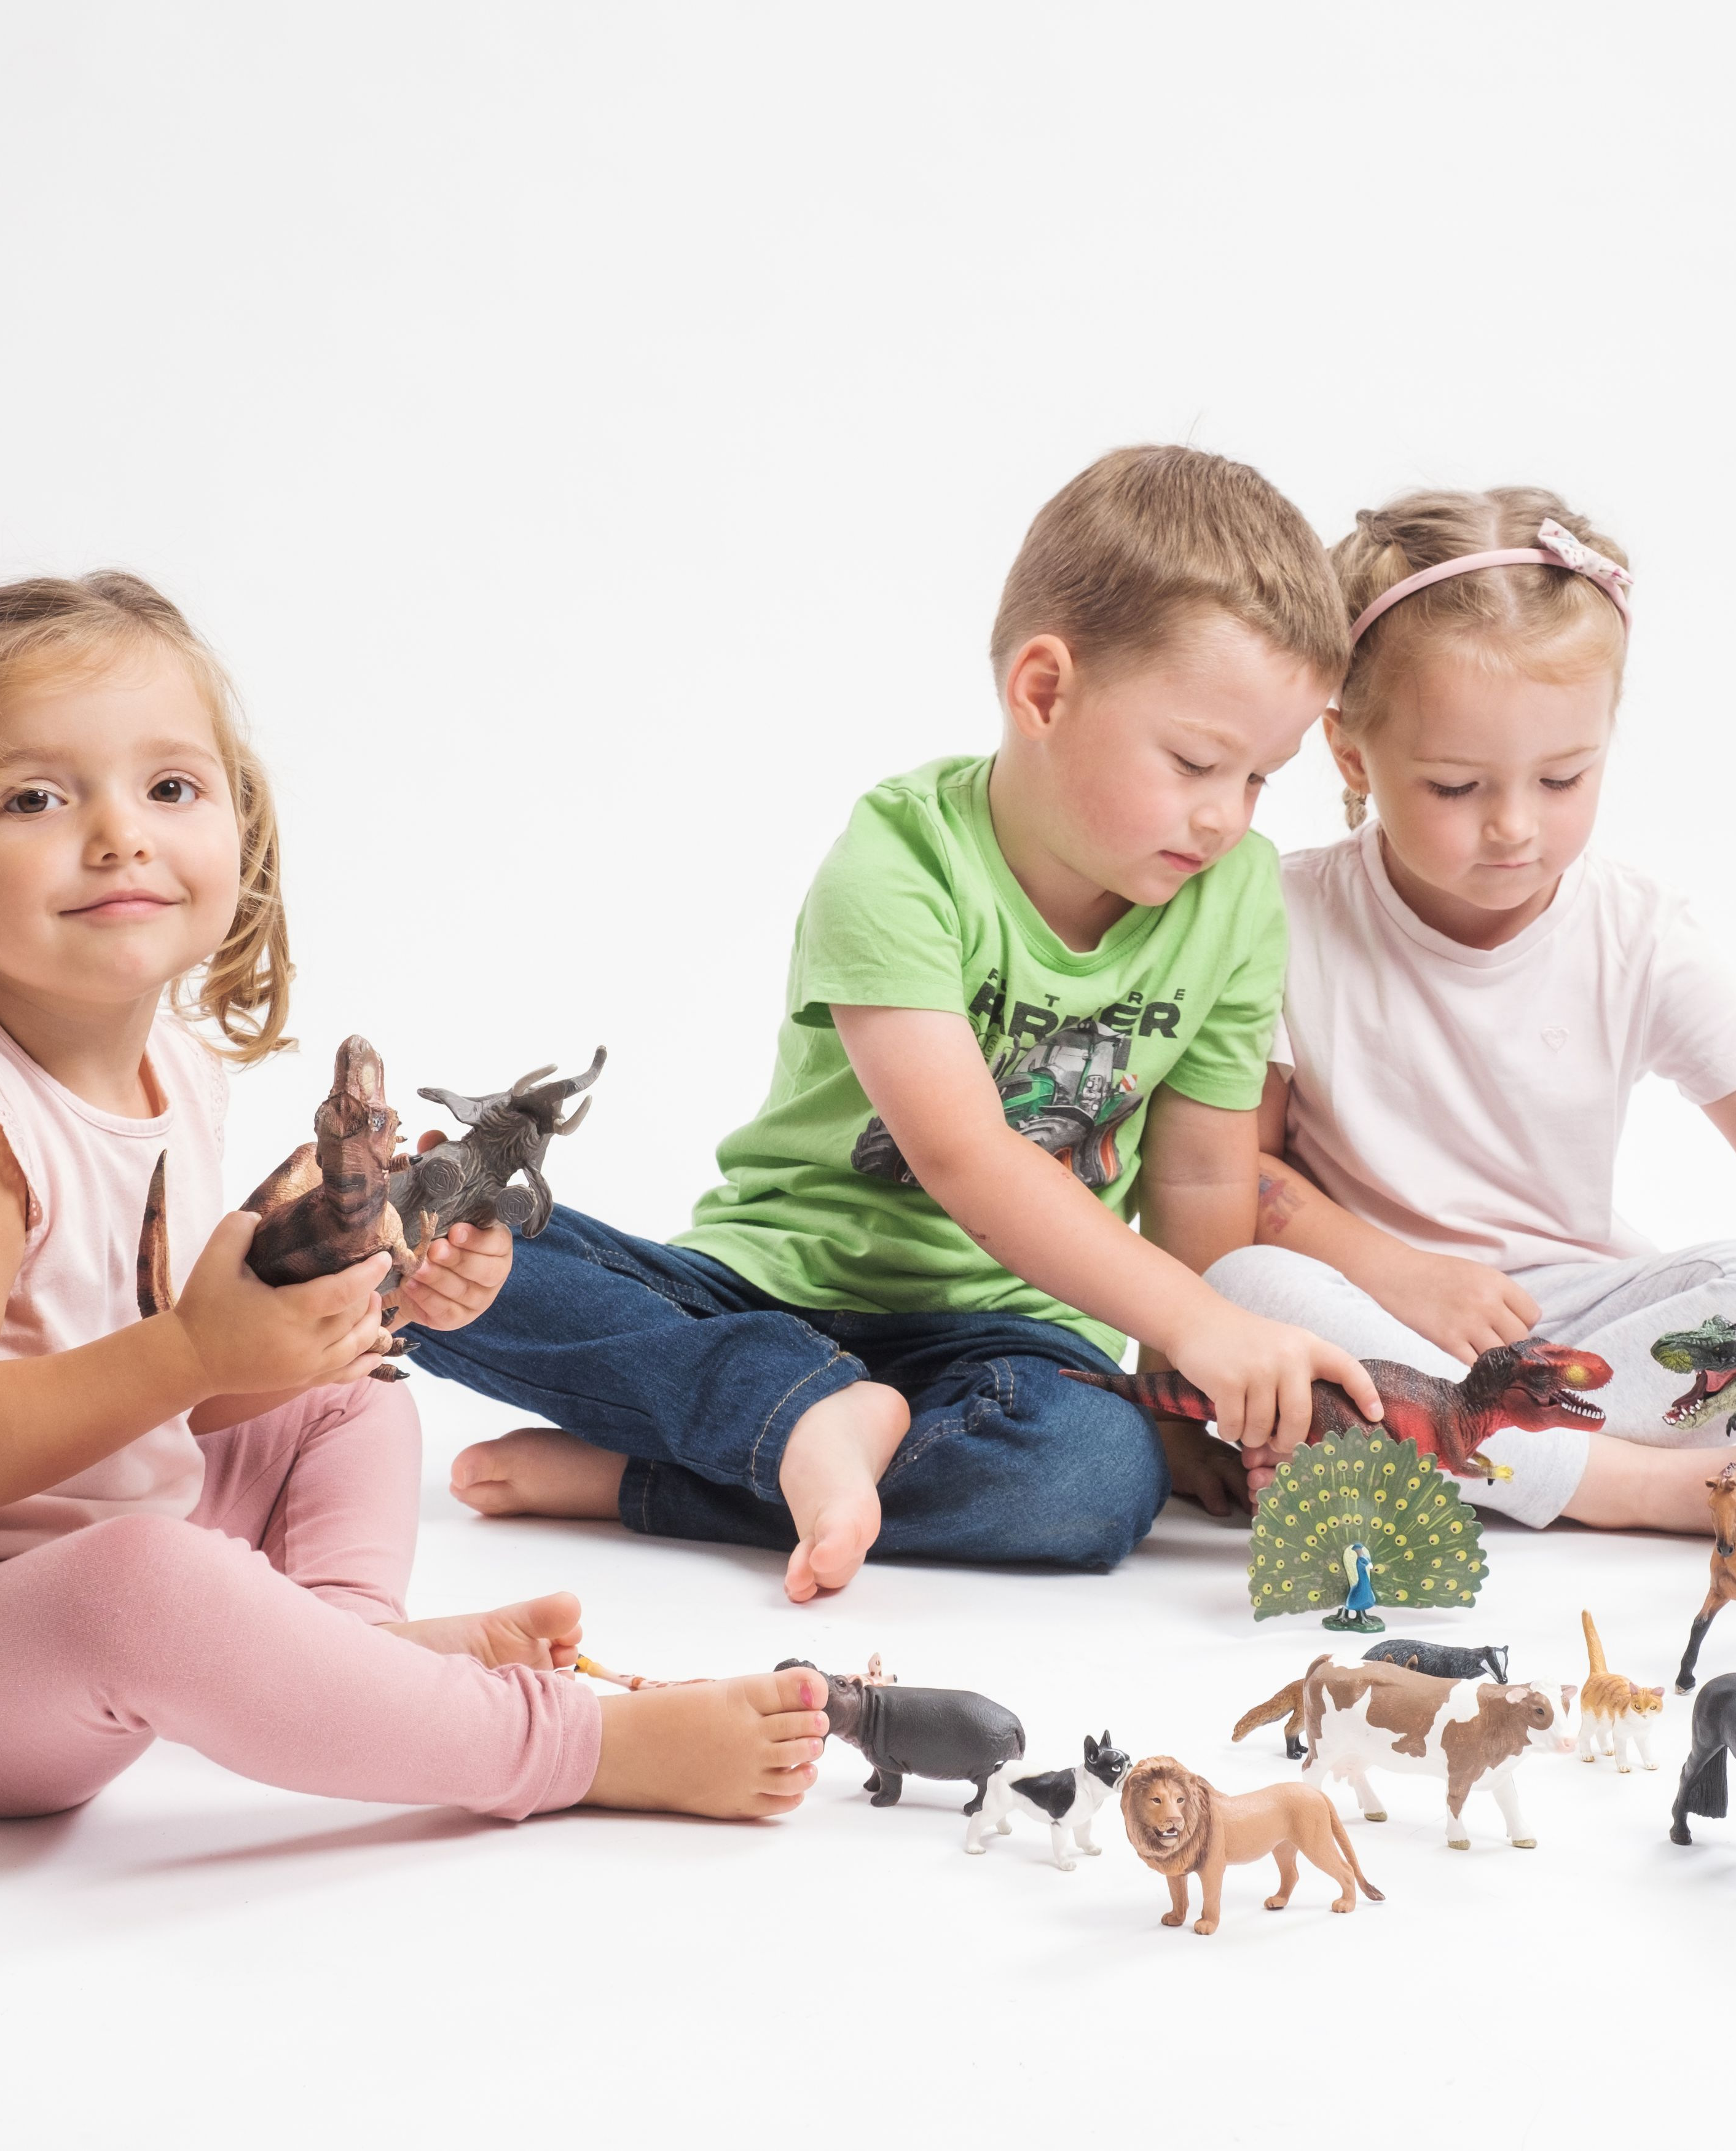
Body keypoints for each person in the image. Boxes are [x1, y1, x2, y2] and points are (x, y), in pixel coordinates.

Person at [0, 572, 824, 1822]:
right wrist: (195, 1349)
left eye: (169, 788)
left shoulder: (170, 1065)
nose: (119, 834)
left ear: (236, 822)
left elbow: (153, 1381)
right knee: (145, 1584)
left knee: (350, 1399)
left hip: (72, 1529)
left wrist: (345, 1316)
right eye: (35, 798)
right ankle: (569, 1749)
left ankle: (348, 1660)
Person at [415, 446, 1373, 1600]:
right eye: (1195, 763)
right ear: (1044, 692)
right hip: (767, 1293)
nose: (1224, 818)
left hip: (1002, 1339)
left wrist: (1181, 1392)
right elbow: (964, 1156)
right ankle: (792, 1411)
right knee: (408, 1236)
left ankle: (670, 1463)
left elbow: (1201, 1180)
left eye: (1260, 778)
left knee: (1089, 1477)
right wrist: (1204, 1323)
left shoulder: (1236, 898)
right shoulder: (900, 861)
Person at [1206, 488, 1736, 1535]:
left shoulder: (1633, 931)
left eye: (1561, 778)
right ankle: (1634, 1485)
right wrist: (1405, 1277)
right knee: (1245, 1282)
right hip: (1375, 1310)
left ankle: (1469, 1461)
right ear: (1350, 755)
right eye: (1455, 787)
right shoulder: (1283, 917)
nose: (1514, 827)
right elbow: (1238, 1172)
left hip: (1572, 1330)